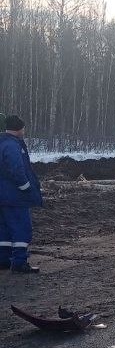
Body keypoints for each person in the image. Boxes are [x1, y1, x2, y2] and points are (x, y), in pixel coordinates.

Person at [0, 115, 43, 273]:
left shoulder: (2, 142)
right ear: (18, 129)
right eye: (23, 128)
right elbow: (17, 169)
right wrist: (26, 187)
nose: (24, 131)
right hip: (15, 196)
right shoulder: (12, 146)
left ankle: (3, 260)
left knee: (4, 229)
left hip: (3, 196)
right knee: (21, 228)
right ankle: (19, 263)